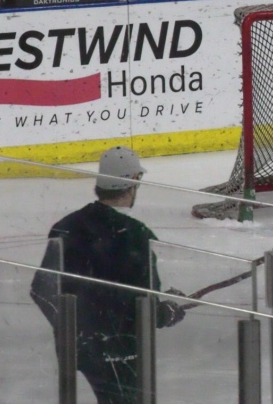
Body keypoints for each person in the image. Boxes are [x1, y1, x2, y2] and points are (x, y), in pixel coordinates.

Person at [30, 146, 186, 404]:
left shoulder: (66, 227)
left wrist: (73, 331)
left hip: (79, 349)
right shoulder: (136, 235)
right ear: (133, 182)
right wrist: (164, 312)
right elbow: (140, 306)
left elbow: (41, 289)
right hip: (120, 353)